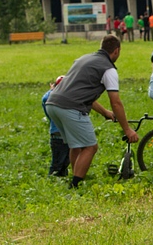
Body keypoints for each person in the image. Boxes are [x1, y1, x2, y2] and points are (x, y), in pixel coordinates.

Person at [44, 34, 139, 188]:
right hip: (71, 107)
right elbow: (116, 102)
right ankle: (75, 185)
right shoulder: (108, 69)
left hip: (52, 103)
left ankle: (74, 178)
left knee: (76, 145)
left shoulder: (83, 59)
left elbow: (79, 92)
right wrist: (127, 130)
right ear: (116, 51)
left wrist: (105, 113)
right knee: (90, 147)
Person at [42, 75, 69, 177]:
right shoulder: (65, 98)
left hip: (58, 133)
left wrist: (52, 90)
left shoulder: (49, 98)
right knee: (59, 163)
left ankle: (59, 179)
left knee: (62, 162)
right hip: (62, 134)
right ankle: (53, 179)